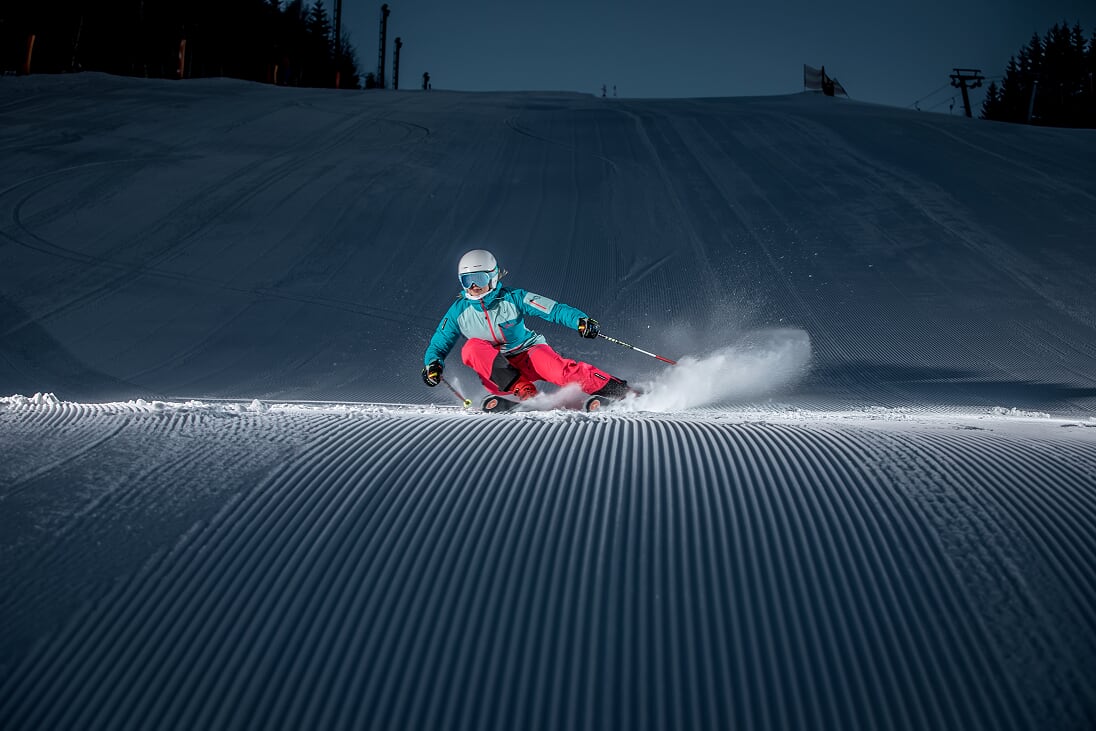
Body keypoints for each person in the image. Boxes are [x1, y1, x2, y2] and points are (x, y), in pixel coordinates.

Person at [421, 249, 630, 406]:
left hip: (528, 353)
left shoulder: (513, 298)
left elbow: (552, 309)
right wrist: (433, 365)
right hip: (496, 373)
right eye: (467, 280)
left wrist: (579, 320)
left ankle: (621, 392)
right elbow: (438, 345)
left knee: (564, 373)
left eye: (479, 279)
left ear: (493, 277)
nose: (473, 286)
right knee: (472, 348)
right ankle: (526, 395)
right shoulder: (459, 311)